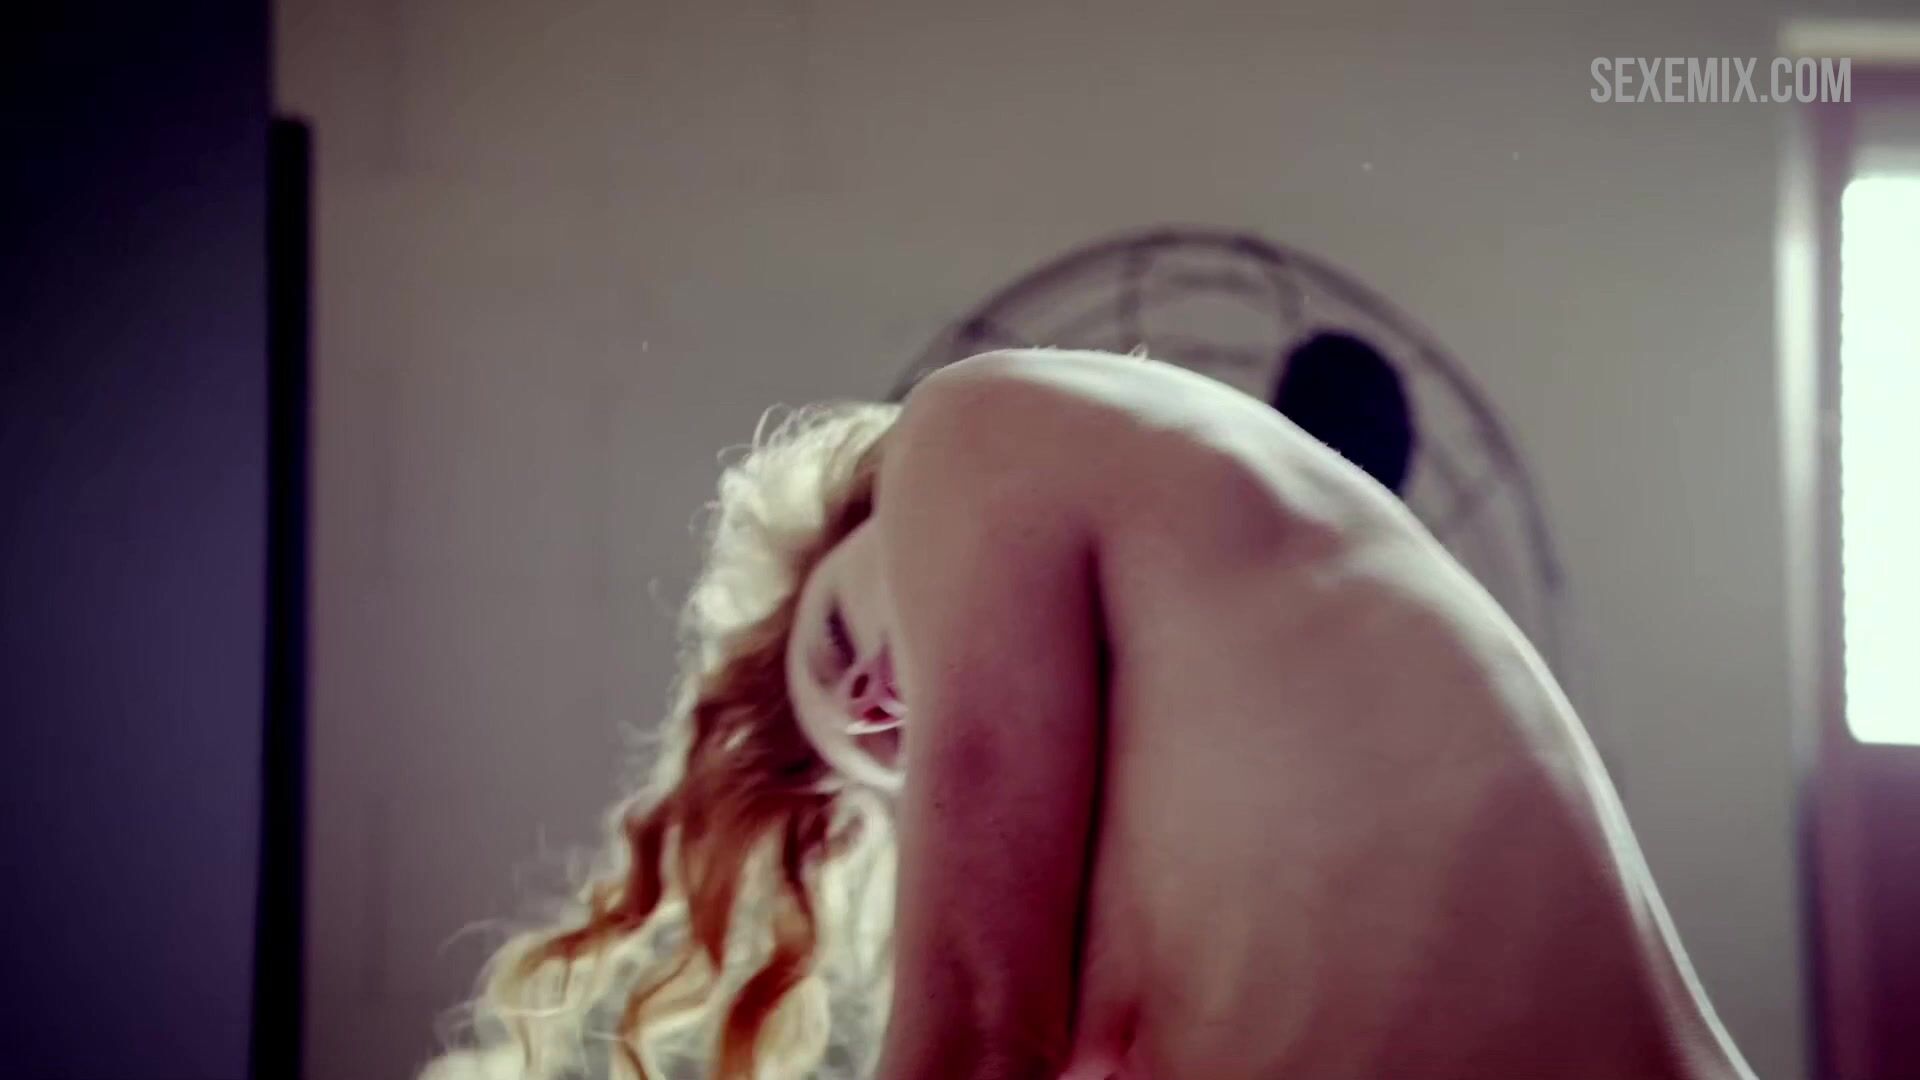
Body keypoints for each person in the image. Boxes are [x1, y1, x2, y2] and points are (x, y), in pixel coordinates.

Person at [428, 349, 1756, 1080]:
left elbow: (973, 1034)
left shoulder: (969, 428)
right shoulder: (1187, 784)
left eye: (838, 643)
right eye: (884, 751)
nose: (884, 703)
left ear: (861, 524)